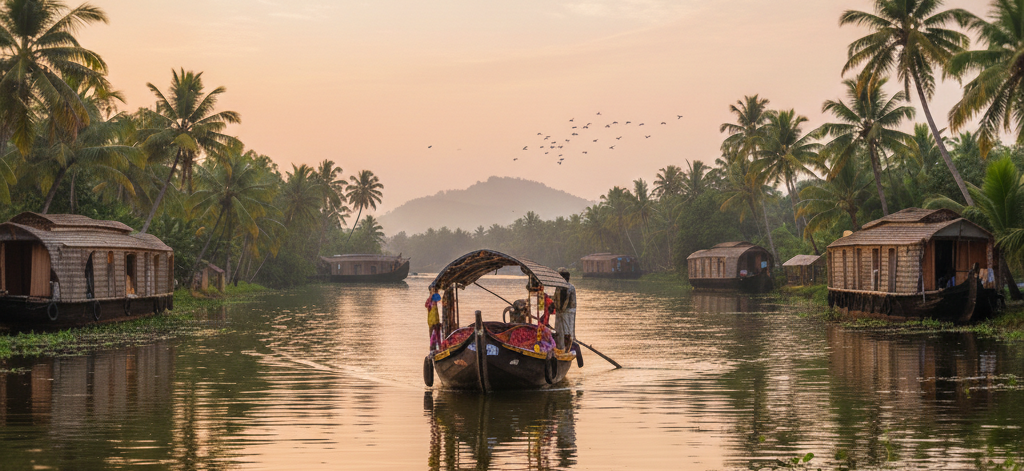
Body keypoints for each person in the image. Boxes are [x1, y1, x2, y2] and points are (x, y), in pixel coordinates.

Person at [554, 268, 576, 351]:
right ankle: (560, 347)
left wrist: (561, 310)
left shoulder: (568, 287)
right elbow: (556, 298)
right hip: (561, 311)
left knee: (567, 332)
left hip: (568, 312)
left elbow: (566, 300)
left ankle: (567, 349)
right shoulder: (559, 287)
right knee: (559, 330)